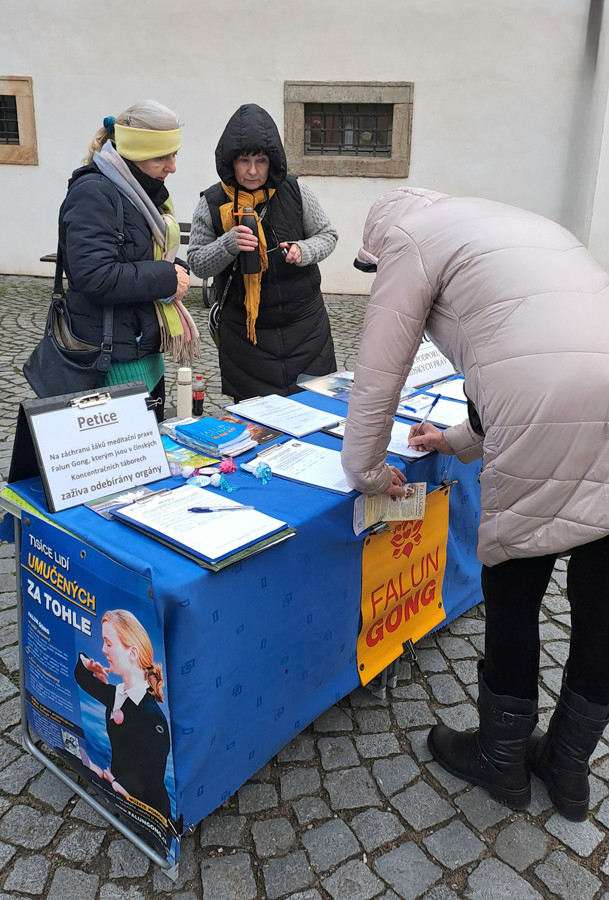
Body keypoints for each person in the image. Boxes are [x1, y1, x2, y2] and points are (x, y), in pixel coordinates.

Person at [341, 186, 609, 821]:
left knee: (514, 590)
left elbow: (379, 374)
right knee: (603, 604)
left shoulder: (407, 240)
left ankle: (501, 760)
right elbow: (540, 347)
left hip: (539, 410)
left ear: (379, 243)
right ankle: (569, 772)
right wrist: (458, 441)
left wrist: (369, 471)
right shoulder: (511, 217)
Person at [57, 100, 199, 420]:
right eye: (162, 156)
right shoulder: (94, 192)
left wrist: (176, 271)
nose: (172, 167)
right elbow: (94, 275)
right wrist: (166, 277)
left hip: (144, 354)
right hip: (110, 363)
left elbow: (148, 256)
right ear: (135, 152)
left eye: (174, 154)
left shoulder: (143, 191)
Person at [187, 103, 338, 401]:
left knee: (316, 412)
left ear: (273, 162)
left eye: (261, 160)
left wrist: (303, 249)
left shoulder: (296, 191)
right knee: (257, 427)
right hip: (247, 339)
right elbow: (197, 263)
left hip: (305, 329)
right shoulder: (213, 202)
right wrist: (228, 244)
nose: (253, 171)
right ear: (230, 162)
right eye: (244, 161)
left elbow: (328, 236)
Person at [74, 609, 171, 819]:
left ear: (132, 653)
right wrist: (88, 664)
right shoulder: (117, 695)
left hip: (150, 810)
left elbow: (152, 777)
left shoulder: (151, 716)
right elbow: (83, 679)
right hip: (120, 790)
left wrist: (117, 784)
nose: (103, 649)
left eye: (109, 643)